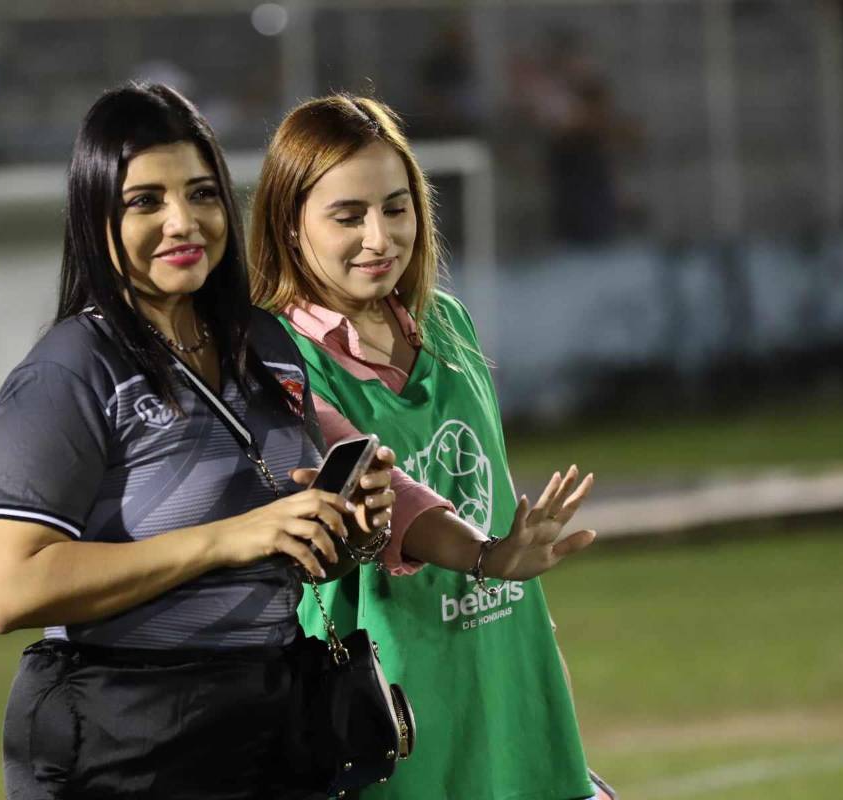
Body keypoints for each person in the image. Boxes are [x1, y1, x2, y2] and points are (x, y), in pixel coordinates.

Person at [0, 83, 396, 800]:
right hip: (128, 730)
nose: (184, 222)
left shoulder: (264, 343)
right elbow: (8, 590)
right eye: (146, 201)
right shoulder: (70, 369)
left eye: (202, 195)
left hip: (272, 710)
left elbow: (283, 557)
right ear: (95, 214)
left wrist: (346, 529)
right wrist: (229, 538)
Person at [249, 94, 602, 799]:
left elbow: (490, 486)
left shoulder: (449, 325)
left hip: (505, 674)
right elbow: (383, 497)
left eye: (396, 207)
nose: (380, 237)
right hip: (395, 702)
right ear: (290, 228)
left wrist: (535, 646)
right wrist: (487, 556)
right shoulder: (272, 359)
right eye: (348, 216)